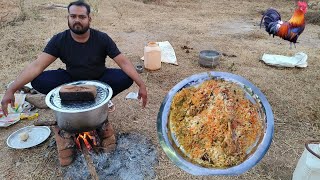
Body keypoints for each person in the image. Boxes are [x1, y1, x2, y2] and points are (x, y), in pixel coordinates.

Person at [1, 0, 147, 166]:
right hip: (71, 81)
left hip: (99, 79)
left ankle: (102, 101)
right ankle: (70, 99)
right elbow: (37, 65)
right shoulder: (59, 40)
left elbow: (124, 62)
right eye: (73, 16)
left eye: (81, 16)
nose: (77, 20)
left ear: (89, 19)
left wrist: (141, 84)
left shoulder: (102, 38)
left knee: (125, 77)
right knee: (38, 80)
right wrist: (11, 90)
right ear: (68, 18)